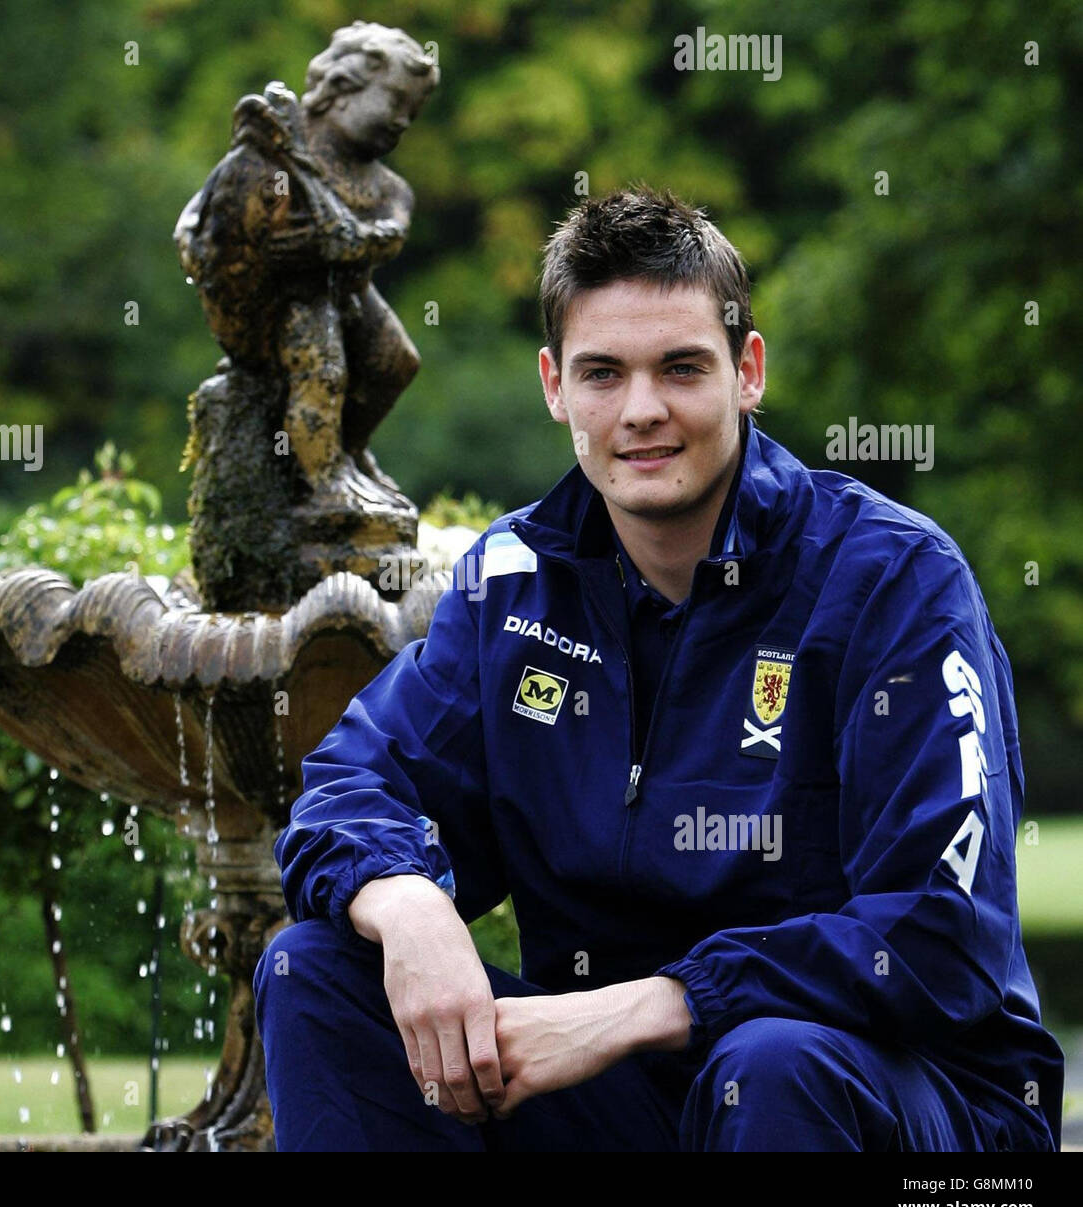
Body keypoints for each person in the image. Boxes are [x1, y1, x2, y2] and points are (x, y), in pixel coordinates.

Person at [253, 186, 1065, 1152]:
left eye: (681, 367)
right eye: (604, 374)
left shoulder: (894, 579)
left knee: (771, 1064)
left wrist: (651, 1005)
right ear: (555, 386)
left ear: (747, 372)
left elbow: (942, 936)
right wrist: (410, 903)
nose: (642, 411)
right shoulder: (516, 586)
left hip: (909, 1110)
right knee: (316, 968)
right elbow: (353, 780)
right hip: (622, 1100)